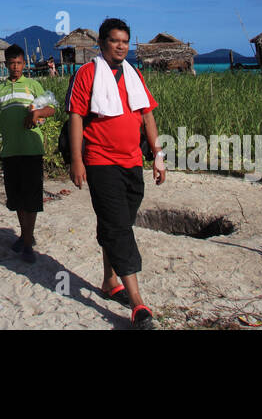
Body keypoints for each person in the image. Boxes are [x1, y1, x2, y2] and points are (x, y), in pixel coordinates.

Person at [67, 18, 166, 328]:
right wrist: (76, 160)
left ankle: (110, 281)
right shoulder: (87, 73)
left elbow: (147, 116)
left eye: (125, 41)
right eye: (115, 41)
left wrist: (158, 155)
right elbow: (76, 117)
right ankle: (138, 305)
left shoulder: (134, 74)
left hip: (132, 161)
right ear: (102, 43)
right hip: (99, 160)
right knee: (119, 227)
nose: (121, 46)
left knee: (117, 221)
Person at [0, 44, 55, 263]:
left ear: (24, 64)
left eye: (19, 63)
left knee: (32, 198)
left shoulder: (33, 85)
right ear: (6, 64)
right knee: (17, 198)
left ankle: (27, 243)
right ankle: (25, 234)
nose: (16, 67)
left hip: (32, 150)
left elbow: (51, 109)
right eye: (12, 63)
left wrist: (37, 113)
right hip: (10, 151)